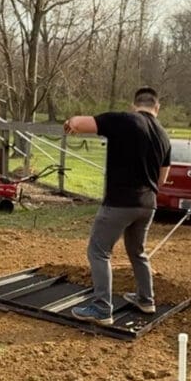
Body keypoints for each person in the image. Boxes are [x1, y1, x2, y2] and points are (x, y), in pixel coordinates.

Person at [63, 87, 171, 326]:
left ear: (134, 105)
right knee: (137, 251)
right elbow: (162, 178)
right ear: (157, 107)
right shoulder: (164, 135)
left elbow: (79, 123)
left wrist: (70, 122)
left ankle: (102, 308)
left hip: (120, 202)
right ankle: (146, 299)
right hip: (147, 204)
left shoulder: (122, 120)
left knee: (98, 251)